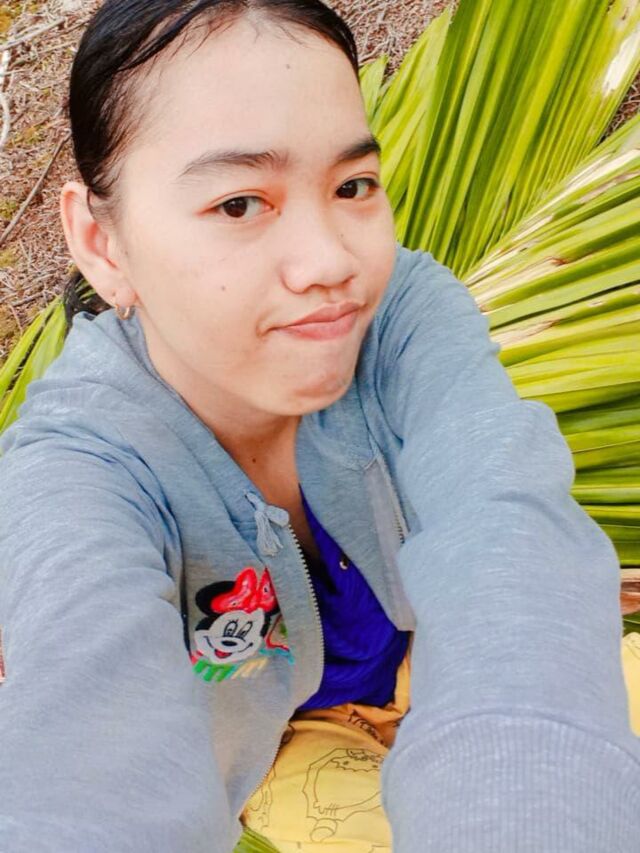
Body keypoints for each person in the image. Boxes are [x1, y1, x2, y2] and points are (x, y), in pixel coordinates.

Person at [0, 1, 639, 851]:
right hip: (284, 743)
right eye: (239, 203)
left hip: (439, 655)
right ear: (101, 242)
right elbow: (88, 760)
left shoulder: (402, 315)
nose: (333, 260)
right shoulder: (78, 468)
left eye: (352, 186)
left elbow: (506, 522)